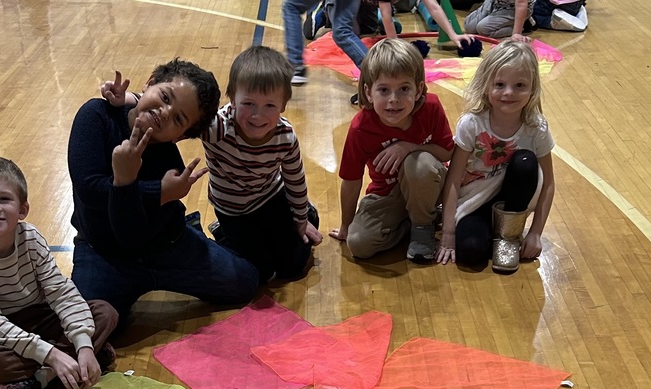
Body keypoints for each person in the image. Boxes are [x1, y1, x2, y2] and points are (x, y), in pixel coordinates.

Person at [104, 47, 323, 286]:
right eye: (248, 103)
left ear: (283, 105)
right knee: (261, 271)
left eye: (269, 106)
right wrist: (127, 99)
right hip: (232, 212)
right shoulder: (217, 128)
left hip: (271, 199)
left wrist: (301, 218)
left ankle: (306, 215)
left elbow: (295, 179)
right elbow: (169, 112)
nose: (258, 115)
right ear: (232, 98)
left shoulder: (285, 136)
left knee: (292, 266)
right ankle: (223, 233)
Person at [67, 58, 260, 325]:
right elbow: (89, 189)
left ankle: (195, 233)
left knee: (246, 282)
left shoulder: (170, 165)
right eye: (165, 96)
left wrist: (138, 187)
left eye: (178, 118)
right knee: (84, 325)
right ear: (150, 82)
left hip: (167, 247)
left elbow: (133, 237)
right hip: (102, 252)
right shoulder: (96, 115)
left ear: (179, 136)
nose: (165, 112)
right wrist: (153, 190)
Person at [0, 156, 119, 389]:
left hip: (40, 315)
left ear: (23, 209)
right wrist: (51, 354)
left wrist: (83, 343)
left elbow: (60, 292)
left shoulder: (31, 239)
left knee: (105, 313)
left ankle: (39, 380)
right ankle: (72, 364)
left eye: (4, 199)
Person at [436, 40, 555, 273]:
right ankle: (489, 230)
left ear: (532, 88)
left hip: (515, 199)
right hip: (475, 199)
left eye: (519, 85)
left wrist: (535, 233)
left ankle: (508, 233)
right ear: (486, 86)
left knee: (525, 161)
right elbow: (453, 178)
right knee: (471, 254)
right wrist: (448, 232)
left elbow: (549, 183)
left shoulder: (536, 127)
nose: (509, 93)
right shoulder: (472, 124)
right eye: (500, 84)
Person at [331, 37, 453, 263]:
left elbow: (448, 153)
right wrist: (346, 226)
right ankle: (411, 221)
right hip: (386, 193)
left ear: (418, 90)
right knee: (358, 244)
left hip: (427, 185)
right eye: (384, 90)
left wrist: (410, 147)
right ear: (368, 92)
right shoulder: (361, 128)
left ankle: (422, 226)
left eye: (403, 89)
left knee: (419, 163)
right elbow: (351, 179)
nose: (393, 100)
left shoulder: (431, 108)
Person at [463, 0, 534, 40]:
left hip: (513, 9)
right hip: (494, 3)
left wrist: (516, 33)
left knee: (483, 29)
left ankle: (522, 25)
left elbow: (521, 5)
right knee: (469, 26)